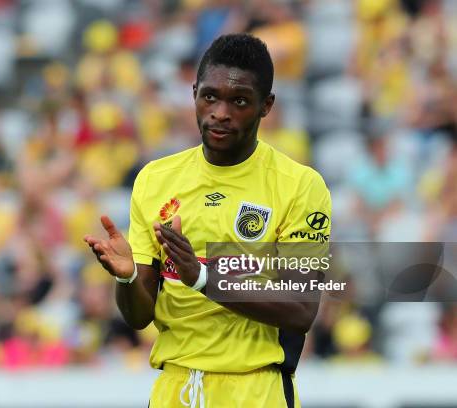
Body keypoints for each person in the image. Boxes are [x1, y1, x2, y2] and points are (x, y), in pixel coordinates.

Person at [84, 33, 332, 408]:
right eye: (210, 96)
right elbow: (138, 317)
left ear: (266, 106)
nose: (221, 112)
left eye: (240, 101)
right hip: (174, 388)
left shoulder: (300, 186)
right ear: (194, 93)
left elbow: (300, 309)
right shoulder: (155, 179)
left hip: (255, 388)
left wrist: (200, 277)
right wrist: (127, 277)